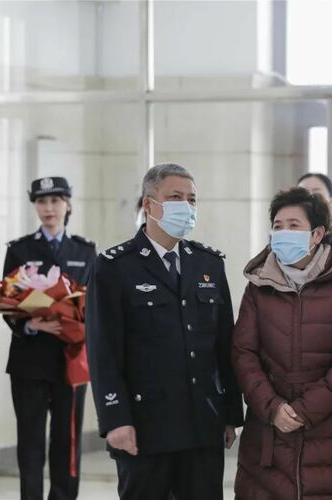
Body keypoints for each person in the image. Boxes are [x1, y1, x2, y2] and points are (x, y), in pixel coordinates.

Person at [86, 163, 243, 499]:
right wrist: (115, 419)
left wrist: (231, 413)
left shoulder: (208, 264)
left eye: (192, 199)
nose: (186, 206)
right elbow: (103, 352)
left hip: (202, 424)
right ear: (149, 204)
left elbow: (224, 345)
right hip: (145, 426)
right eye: (175, 197)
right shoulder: (114, 267)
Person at [232, 187, 332, 499]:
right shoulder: (258, 286)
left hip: (331, 423)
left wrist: (304, 411)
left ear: (317, 234)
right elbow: (243, 352)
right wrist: (273, 408)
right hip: (268, 425)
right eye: (278, 226)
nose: (284, 233)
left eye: (294, 225)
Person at [3, 176, 96, 500]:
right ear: (35, 206)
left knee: (67, 441)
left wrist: (77, 324)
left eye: (55, 201)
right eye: (42, 202)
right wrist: (31, 325)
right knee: (30, 441)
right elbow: (6, 303)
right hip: (29, 361)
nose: (48, 208)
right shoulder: (19, 250)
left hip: (71, 361)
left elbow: (94, 304)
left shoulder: (85, 250)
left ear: (67, 205)